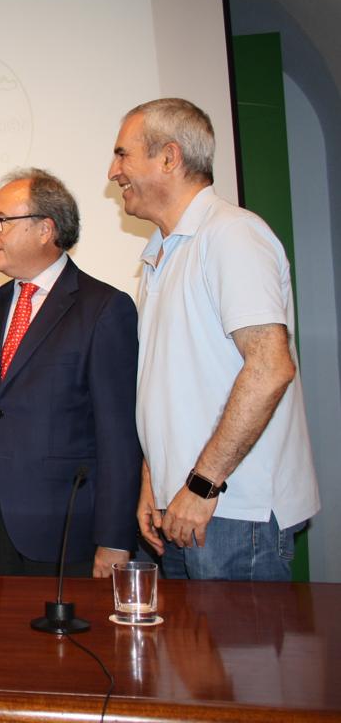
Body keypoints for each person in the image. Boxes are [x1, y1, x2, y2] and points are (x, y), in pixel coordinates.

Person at [109, 97, 320, 580]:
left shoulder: (232, 235)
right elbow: (166, 390)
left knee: (236, 635)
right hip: (187, 504)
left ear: (169, 157)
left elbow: (270, 368)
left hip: (232, 510)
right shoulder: (162, 253)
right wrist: (154, 482)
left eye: (123, 155)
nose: (113, 172)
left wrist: (203, 485)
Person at [0, 168, 141, 577]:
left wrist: (115, 538)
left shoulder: (103, 308)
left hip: (69, 531)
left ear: (45, 229)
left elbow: (119, 436)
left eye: (0, 221)